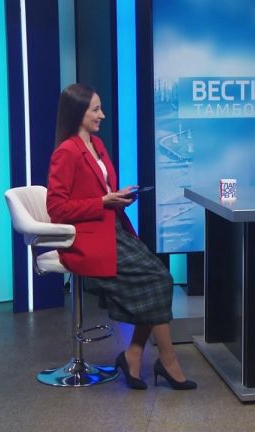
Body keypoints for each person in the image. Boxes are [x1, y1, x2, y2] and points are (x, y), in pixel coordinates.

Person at [46, 83, 196, 391]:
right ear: (78, 113)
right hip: (88, 237)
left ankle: (133, 355)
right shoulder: (66, 152)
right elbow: (56, 208)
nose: (102, 115)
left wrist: (118, 197)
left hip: (113, 229)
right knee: (159, 279)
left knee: (158, 280)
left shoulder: (97, 145)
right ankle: (168, 361)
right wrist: (102, 202)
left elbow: (100, 191)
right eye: (95, 109)